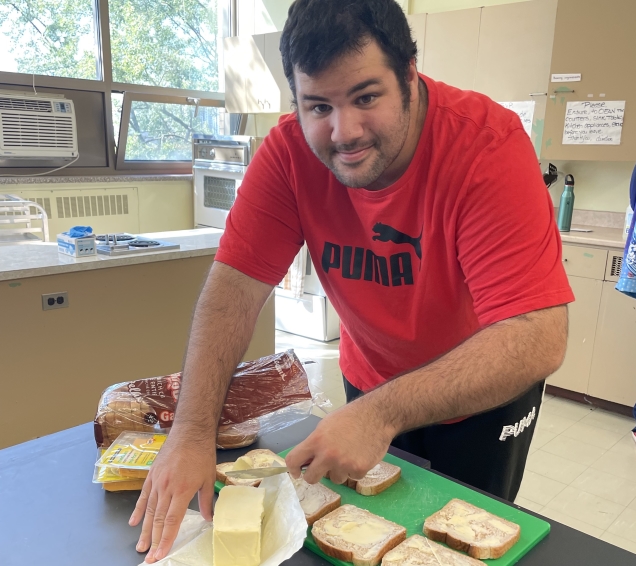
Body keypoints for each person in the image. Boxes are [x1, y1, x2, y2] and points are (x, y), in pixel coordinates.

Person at [130, 0, 574, 562]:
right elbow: (233, 292)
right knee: (364, 538)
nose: (345, 132)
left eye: (366, 97)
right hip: (370, 379)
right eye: (319, 105)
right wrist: (192, 432)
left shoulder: (486, 145)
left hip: (483, 399)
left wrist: (381, 414)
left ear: (409, 73)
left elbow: (537, 333)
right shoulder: (289, 153)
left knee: (460, 544)